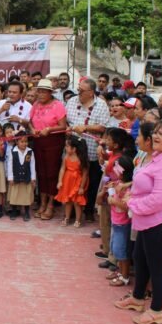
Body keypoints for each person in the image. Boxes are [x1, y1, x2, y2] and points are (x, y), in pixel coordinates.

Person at [115, 120, 162, 324]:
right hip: (146, 219)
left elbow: (158, 200)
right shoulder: (157, 156)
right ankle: (137, 298)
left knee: (156, 266)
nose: (156, 136)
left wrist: (131, 203)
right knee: (140, 257)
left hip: (161, 221)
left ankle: (156, 311)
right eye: (155, 132)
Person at [65, 78, 110, 221]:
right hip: (73, 151)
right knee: (73, 181)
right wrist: (68, 128)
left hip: (91, 150)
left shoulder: (101, 105)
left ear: (91, 92)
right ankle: (72, 210)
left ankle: (89, 210)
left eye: (81, 91)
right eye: (78, 89)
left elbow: (103, 127)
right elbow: (66, 121)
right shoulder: (72, 101)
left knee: (91, 181)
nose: (78, 93)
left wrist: (86, 127)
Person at [29, 78, 67, 220]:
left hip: (53, 142)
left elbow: (63, 126)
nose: (40, 94)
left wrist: (50, 129)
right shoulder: (36, 105)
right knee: (41, 173)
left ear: (50, 93)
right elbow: (30, 122)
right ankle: (42, 203)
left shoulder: (58, 105)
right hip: (38, 141)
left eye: (44, 92)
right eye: (39, 91)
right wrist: (32, 129)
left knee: (51, 173)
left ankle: (51, 204)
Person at [105, 155, 134, 286]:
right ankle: (119, 271)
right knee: (115, 248)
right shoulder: (118, 183)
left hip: (123, 224)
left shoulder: (128, 188)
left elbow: (127, 205)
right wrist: (110, 191)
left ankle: (124, 276)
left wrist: (113, 200)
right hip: (116, 222)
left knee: (121, 251)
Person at [55, 135, 88, 227]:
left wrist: (81, 187)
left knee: (77, 202)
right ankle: (67, 218)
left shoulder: (81, 159)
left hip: (77, 182)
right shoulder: (66, 157)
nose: (65, 148)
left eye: (67, 146)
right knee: (67, 201)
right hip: (68, 181)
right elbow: (62, 169)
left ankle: (78, 220)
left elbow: (85, 174)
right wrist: (60, 181)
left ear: (74, 149)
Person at [7, 134, 36, 222]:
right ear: (17, 142)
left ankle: (26, 212)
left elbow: (32, 165)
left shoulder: (30, 151)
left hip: (26, 178)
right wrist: (10, 177)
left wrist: (33, 178)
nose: (24, 143)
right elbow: (10, 165)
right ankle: (14, 211)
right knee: (14, 195)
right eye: (22, 142)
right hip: (15, 178)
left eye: (26, 141)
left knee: (26, 196)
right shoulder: (13, 151)